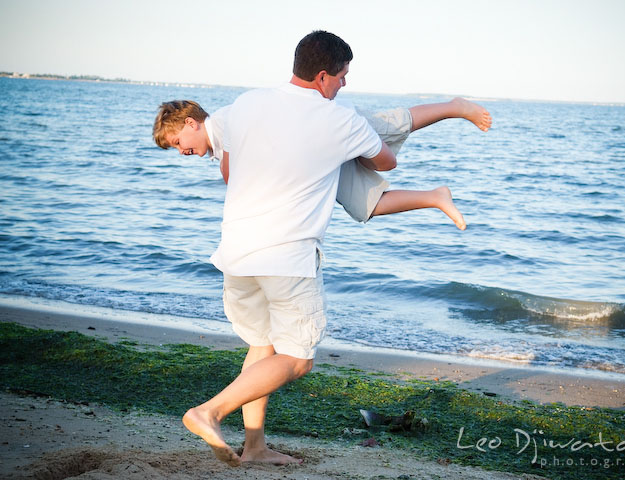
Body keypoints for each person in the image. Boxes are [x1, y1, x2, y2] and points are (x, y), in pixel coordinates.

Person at [153, 31, 491, 467]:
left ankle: (254, 447)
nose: (344, 85)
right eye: (343, 76)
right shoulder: (339, 119)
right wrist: (349, 149)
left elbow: (227, 162)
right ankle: (209, 412)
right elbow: (387, 161)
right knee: (297, 358)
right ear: (323, 75)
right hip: (286, 260)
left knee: (261, 349)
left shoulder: (247, 105)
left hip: (236, 258)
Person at [153, 99, 491, 230]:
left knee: (392, 125)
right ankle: (435, 197)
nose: (180, 151)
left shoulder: (225, 122)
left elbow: (235, 180)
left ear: (191, 123)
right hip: (316, 158)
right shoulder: (218, 147)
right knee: (366, 207)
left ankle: (453, 107)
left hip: (325, 128)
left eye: (177, 143)